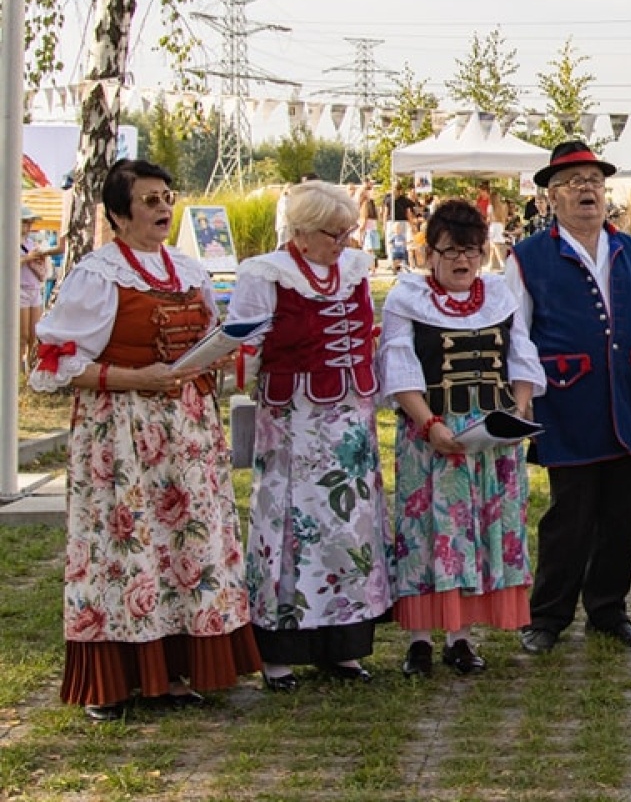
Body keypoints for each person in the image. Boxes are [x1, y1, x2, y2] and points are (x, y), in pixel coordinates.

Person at [31, 159, 259, 720]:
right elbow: (56, 363)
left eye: (167, 198)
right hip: (122, 433)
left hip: (187, 431)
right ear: (118, 214)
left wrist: (216, 355)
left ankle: (174, 672)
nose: (163, 208)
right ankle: (113, 681)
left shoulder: (188, 270)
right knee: (122, 547)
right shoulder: (98, 275)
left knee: (185, 544)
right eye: (149, 200)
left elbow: (205, 336)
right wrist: (136, 378)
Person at [505, 141, 631, 655]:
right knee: (571, 515)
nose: (588, 190)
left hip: (630, 392)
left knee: (623, 513)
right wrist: (524, 395)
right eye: (574, 182)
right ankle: (548, 615)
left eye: (595, 182)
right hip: (567, 398)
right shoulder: (528, 256)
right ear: (551, 197)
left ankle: (608, 609)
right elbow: (517, 332)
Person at [226, 180, 394, 690]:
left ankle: (343, 644)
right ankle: (279, 650)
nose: (342, 242)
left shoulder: (354, 268)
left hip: (350, 420)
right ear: (300, 232)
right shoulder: (265, 273)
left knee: (348, 527)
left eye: (347, 232)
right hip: (293, 420)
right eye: (332, 234)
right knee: (292, 527)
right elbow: (243, 345)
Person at [379, 199, 544, 676]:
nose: (462, 260)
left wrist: (517, 413)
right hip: (432, 431)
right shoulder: (407, 297)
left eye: (471, 249)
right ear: (429, 252)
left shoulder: (498, 295)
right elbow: (399, 368)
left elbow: (522, 358)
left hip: (491, 436)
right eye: (451, 250)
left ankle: (460, 638)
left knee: (478, 530)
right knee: (429, 531)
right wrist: (430, 425)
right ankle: (418, 641)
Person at [19, 206, 51, 368]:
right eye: (25, 222)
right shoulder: (8, 241)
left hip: (35, 289)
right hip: (20, 290)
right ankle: (17, 368)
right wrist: (27, 258)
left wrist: (39, 260)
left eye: (30, 222)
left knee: (34, 335)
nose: (28, 226)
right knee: (22, 335)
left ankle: (31, 369)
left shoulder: (31, 243)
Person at [388, 182, 420, 273]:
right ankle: (395, 265)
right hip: (394, 222)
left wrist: (412, 224)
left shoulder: (405, 200)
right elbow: (385, 211)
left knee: (404, 246)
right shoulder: (389, 199)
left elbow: (410, 211)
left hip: (403, 222)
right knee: (396, 246)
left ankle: (404, 264)